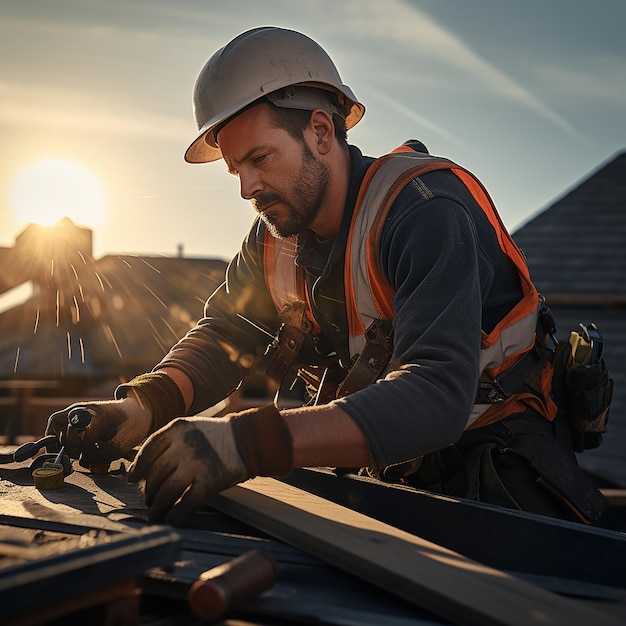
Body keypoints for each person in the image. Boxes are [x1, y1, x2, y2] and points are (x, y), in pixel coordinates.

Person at [46, 26, 607, 525]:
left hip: (501, 474)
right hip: (390, 468)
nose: (246, 188)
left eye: (260, 158)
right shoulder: (273, 237)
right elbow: (226, 337)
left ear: (320, 131)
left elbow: (438, 395)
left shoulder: (426, 211)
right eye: (236, 168)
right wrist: (140, 407)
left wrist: (250, 441)